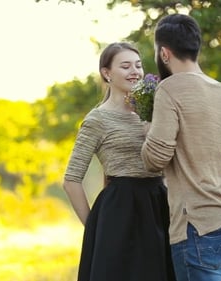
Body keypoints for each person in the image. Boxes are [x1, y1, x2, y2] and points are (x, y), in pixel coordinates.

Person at [141, 14, 221, 281]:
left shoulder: (169, 89)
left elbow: (155, 160)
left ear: (165, 53)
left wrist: (147, 131)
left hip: (200, 225)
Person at [63, 42, 177, 281]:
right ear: (107, 73)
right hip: (119, 210)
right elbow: (71, 180)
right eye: (125, 66)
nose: (134, 71)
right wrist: (94, 227)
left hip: (159, 205)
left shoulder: (156, 112)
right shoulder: (97, 119)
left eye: (138, 65)